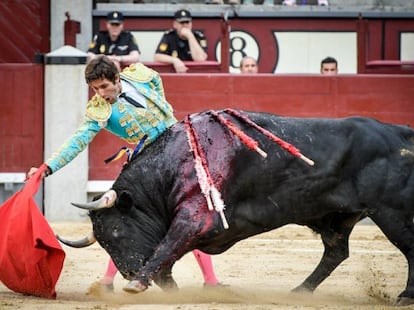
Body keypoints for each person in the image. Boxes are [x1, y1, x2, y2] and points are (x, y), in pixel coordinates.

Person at [26, 55, 223, 292]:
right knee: (129, 222)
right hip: (148, 168)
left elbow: (157, 83)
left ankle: (211, 281)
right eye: (94, 89)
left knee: (191, 216)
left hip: (181, 153)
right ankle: (107, 280)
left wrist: (168, 121)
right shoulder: (100, 110)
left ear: (117, 78)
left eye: (103, 87)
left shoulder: (141, 76)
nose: (100, 94)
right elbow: (77, 141)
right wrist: (47, 167)